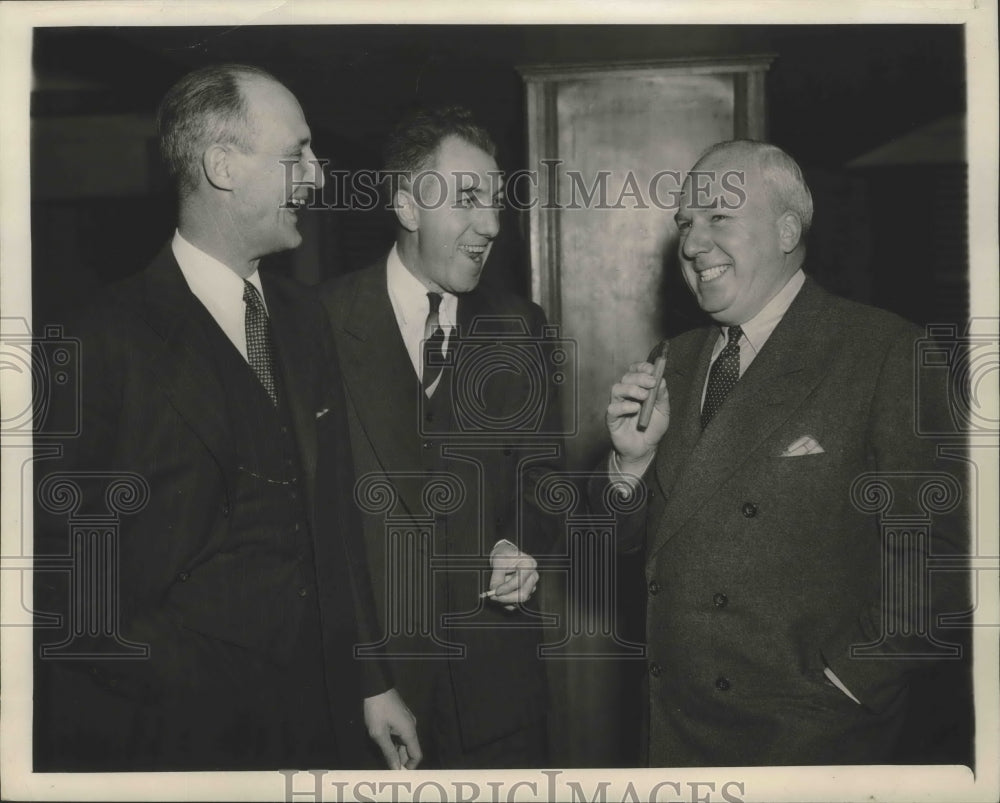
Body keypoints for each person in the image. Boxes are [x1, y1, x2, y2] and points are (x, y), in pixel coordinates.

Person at [33, 64, 420, 772]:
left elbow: (333, 528)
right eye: (296, 154)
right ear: (222, 166)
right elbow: (61, 580)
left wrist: (373, 681)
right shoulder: (99, 340)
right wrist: (188, 678)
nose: (318, 177)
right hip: (172, 737)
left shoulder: (308, 322)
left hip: (318, 722)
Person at [599, 139, 969, 766]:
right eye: (686, 224)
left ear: (787, 228)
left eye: (720, 217)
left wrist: (851, 681)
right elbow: (623, 548)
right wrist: (629, 467)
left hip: (809, 736)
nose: (692, 244)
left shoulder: (882, 351)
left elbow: (946, 558)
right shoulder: (675, 359)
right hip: (676, 732)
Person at [320, 107, 560, 768]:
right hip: (374, 696)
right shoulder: (316, 324)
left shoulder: (521, 325)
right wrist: (370, 676)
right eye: (468, 199)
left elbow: (544, 478)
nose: (491, 224)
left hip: (500, 698)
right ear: (406, 204)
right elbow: (317, 529)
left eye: (497, 202)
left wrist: (517, 540)